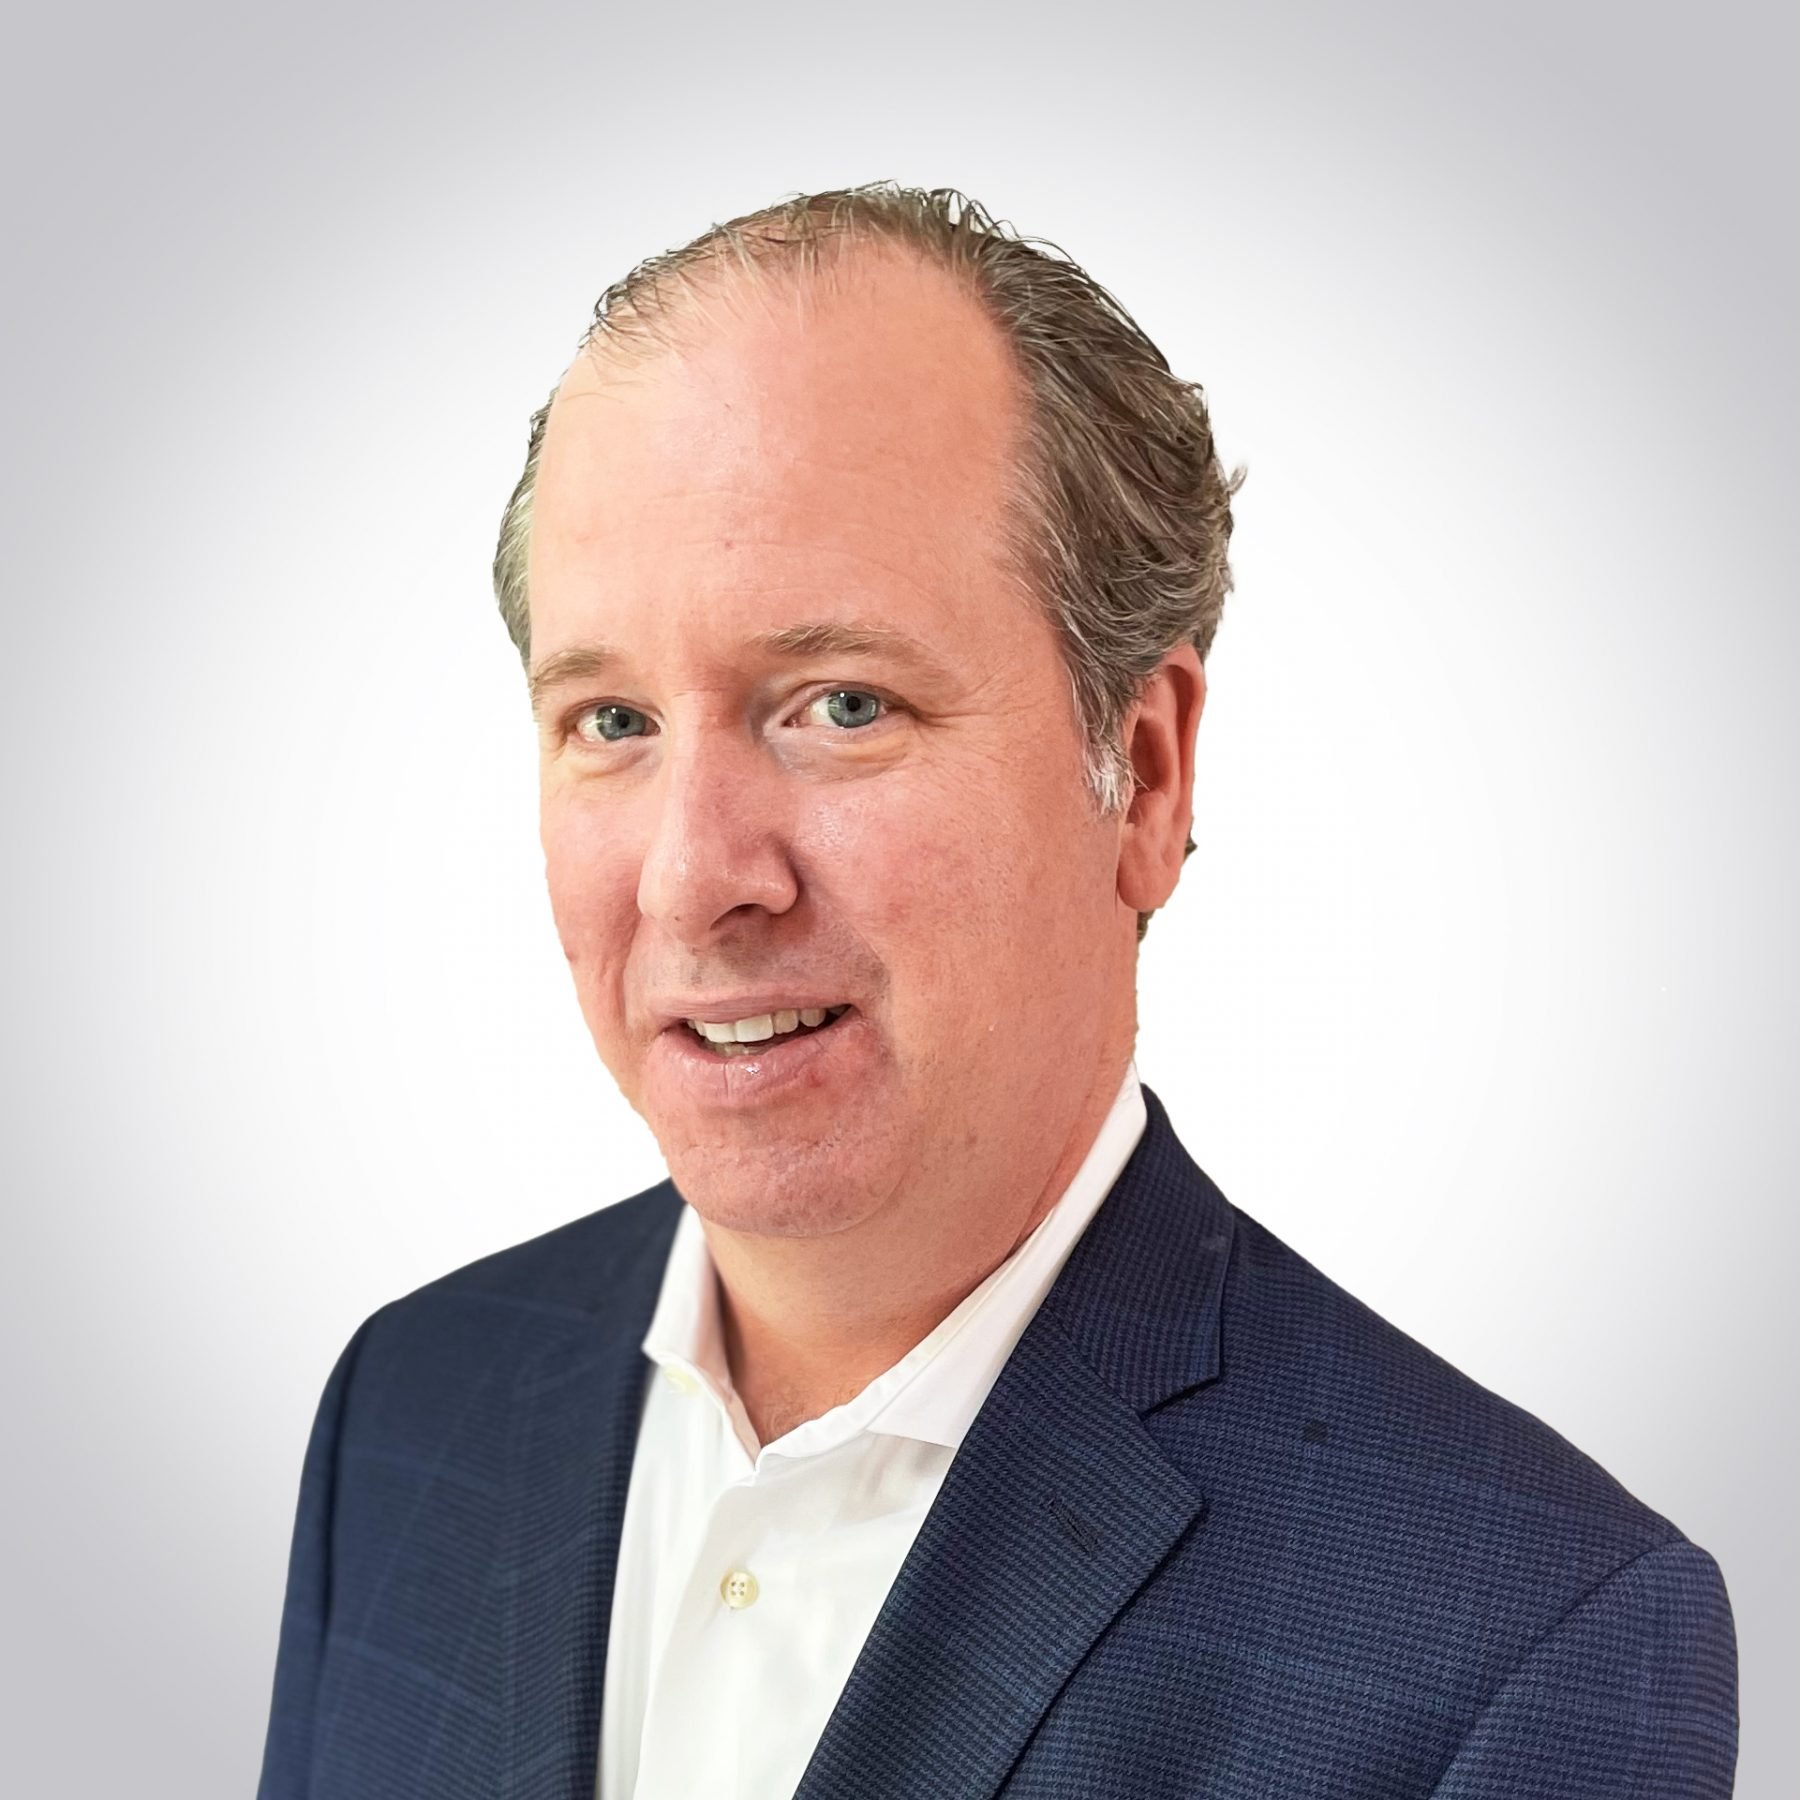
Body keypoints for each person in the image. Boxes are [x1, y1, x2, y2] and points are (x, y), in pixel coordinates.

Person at [257, 184, 1738, 1799]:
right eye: (610, 721)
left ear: (1147, 777)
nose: (694, 876)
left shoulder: (1520, 1647)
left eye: (839, 703)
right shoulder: (408, 1411)